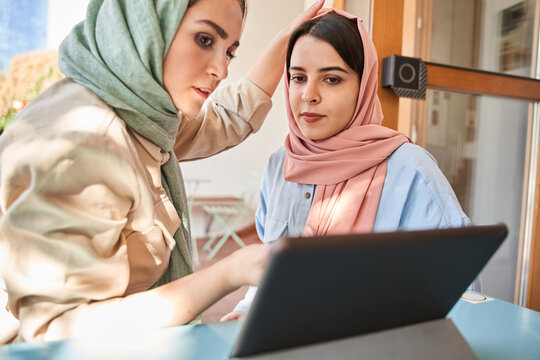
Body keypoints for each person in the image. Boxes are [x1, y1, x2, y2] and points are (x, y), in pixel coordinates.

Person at [0, 0, 325, 343]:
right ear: (146, 23)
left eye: (230, 51)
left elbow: (225, 120)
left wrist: (287, 39)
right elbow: (55, 333)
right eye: (204, 40)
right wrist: (229, 272)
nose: (221, 69)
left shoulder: (141, 114)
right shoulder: (82, 141)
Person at [221, 9, 471, 321]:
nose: (308, 95)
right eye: (298, 77)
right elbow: (268, 269)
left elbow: (462, 291)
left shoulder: (410, 171)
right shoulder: (280, 165)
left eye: (332, 79)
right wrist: (249, 310)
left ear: (363, 85)